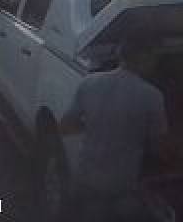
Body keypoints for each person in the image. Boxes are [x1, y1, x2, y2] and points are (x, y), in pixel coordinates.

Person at [59, 25, 170, 222]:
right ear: (145, 57)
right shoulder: (152, 96)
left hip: (85, 180)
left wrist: (97, 126)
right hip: (120, 190)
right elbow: (158, 148)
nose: (156, 61)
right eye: (154, 56)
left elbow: (65, 126)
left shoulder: (89, 83)